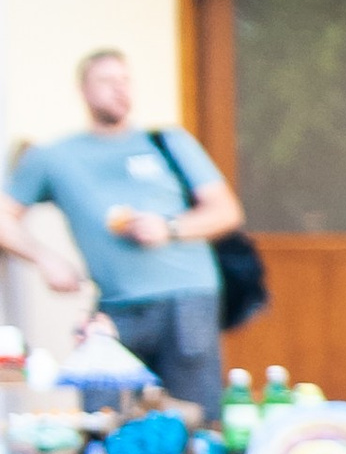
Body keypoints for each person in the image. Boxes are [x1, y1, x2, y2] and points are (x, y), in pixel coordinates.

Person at [6, 48, 241, 409]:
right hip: (113, 308)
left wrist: (170, 228)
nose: (119, 90)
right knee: (103, 418)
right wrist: (45, 259)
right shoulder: (55, 157)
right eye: (106, 81)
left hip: (187, 299)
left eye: (125, 80)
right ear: (83, 90)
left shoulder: (167, 142)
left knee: (194, 419)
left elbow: (227, 211)